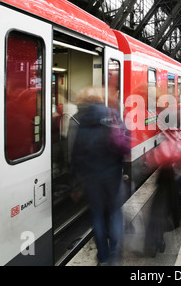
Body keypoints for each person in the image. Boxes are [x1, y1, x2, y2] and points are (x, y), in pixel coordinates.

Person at [71, 86, 128, 266]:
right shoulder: (112, 114)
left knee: (96, 215)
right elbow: (125, 140)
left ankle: (103, 257)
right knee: (114, 212)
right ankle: (115, 255)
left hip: (90, 177)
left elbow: (75, 152)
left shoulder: (79, 119)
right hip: (112, 174)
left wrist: (75, 180)